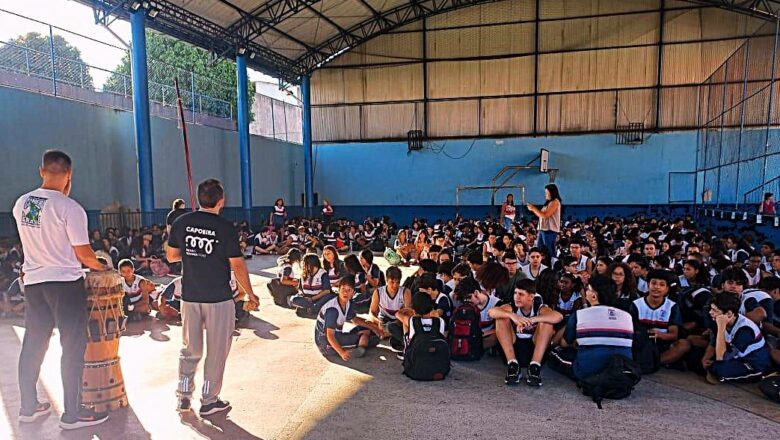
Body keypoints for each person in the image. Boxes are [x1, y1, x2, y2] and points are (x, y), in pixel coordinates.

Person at [13, 150, 111, 429]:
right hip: (65, 285)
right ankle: (72, 413)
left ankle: (28, 407)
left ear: (41, 171)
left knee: (33, 344)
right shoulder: (70, 208)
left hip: (34, 284)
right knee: (71, 346)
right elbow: (84, 254)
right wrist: (101, 267)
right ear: (69, 174)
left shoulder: (23, 203)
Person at [167, 178, 260, 416]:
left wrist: (194, 254)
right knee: (216, 352)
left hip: (189, 297)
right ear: (222, 200)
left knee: (190, 350)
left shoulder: (181, 222)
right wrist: (250, 294)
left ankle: (183, 397)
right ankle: (209, 400)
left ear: (198, 199)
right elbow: (238, 266)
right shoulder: (226, 227)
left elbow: (172, 256)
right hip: (218, 299)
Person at [553, 275, 634, 381]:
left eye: (588, 289)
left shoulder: (580, 314)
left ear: (594, 296)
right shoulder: (626, 315)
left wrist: (567, 324)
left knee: (554, 355)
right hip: (622, 370)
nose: (585, 292)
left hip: (587, 372)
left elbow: (564, 343)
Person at [489, 278, 562, 386]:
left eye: (521, 294)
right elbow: (492, 312)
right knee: (501, 317)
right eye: (515, 293)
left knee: (547, 321)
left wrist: (531, 320)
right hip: (514, 349)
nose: (516, 297)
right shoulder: (512, 306)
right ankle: (513, 366)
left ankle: (534, 367)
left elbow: (558, 316)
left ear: (531, 297)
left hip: (535, 350)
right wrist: (513, 316)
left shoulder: (539, 307)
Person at [703, 292, 771, 384]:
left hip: (753, 363)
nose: (710, 312)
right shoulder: (717, 320)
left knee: (718, 369)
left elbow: (721, 358)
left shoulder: (745, 330)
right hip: (734, 357)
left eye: (715, 310)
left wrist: (721, 326)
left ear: (729, 313)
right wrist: (705, 358)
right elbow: (713, 343)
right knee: (698, 358)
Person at [314, 275, 383, 360]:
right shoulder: (333, 310)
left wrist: (374, 327)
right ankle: (360, 345)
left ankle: (360, 343)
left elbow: (355, 320)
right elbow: (330, 336)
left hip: (338, 335)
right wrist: (342, 352)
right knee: (372, 339)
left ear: (353, 293)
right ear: (338, 290)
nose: (345, 293)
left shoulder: (347, 303)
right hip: (326, 344)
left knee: (368, 329)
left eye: (349, 290)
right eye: (343, 289)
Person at [526, 184, 562, 258]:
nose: (545, 194)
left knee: (549, 252)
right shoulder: (548, 203)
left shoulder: (555, 202)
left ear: (552, 192)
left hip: (549, 231)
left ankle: (552, 266)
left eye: (547, 192)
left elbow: (545, 215)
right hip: (543, 230)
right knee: (540, 251)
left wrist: (533, 208)